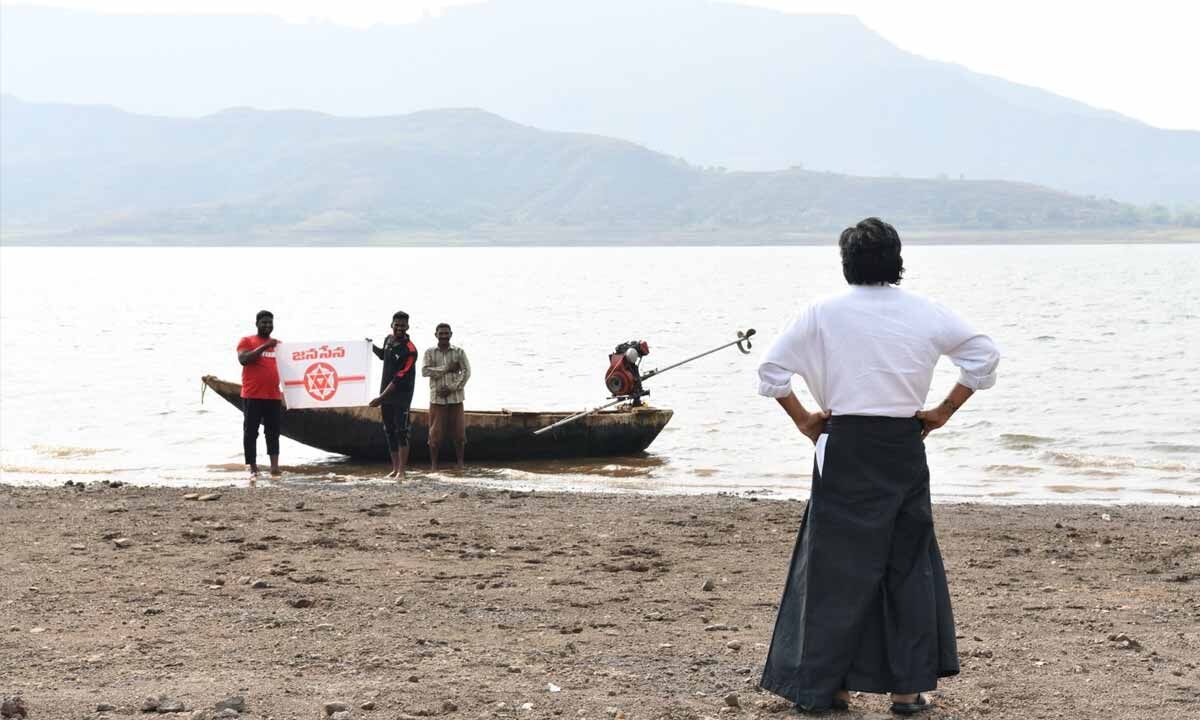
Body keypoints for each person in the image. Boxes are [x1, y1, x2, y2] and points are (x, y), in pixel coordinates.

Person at [756, 218, 1000, 715]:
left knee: (833, 571)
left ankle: (831, 689)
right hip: (901, 445)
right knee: (906, 567)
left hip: (843, 445)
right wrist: (942, 412)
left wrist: (805, 420)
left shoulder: (821, 313)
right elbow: (983, 356)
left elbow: (771, 372)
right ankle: (907, 693)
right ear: (897, 260)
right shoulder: (927, 312)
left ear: (846, 262)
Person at [368, 312, 418, 479]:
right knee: (389, 430)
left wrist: (380, 398)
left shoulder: (410, 350)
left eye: (403, 325)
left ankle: (402, 471)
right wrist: (370, 347)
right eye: (397, 324)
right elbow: (384, 355)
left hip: (401, 395)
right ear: (392, 324)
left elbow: (399, 378)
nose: (399, 328)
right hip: (385, 393)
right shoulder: (388, 339)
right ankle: (395, 468)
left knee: (402, 431)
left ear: (408, 327)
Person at [236, 310, 283, 478]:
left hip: (273, 396)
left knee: (273, 432)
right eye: (264, 322)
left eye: (270, 322)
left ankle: (275, 467)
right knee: (251, 432)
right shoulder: (247, 341)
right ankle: (253, 468)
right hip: (252, 395)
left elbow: (291, 368)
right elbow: (243, 360)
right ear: (256, 324)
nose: (267, 325)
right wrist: (264, 346)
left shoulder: (279, 345)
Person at [422, 323, 471, 470]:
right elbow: (425, 371)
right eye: (441, 333)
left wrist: (452, 388)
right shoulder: (430, 353)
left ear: (451, 334)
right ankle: (434, 465)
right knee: (434, 436)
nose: (443, 336)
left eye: (446, 333)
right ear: (436, 334)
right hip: (437, 399)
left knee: (460, 435)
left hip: (455, 398)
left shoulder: (459, 352)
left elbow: (466, 372)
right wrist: (447, 368)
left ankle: (460, 463)